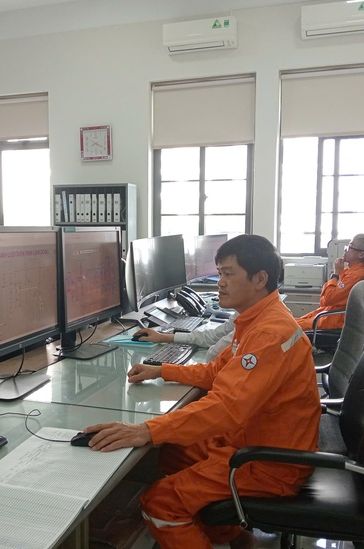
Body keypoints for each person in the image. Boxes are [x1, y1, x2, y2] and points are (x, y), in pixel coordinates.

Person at [81, 234, 321, 549]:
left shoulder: (269, 333)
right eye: (220, 273)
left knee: (160, 504)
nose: (220, 282)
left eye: (228, 274)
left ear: (260, 279)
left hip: (270, 463)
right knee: (175, 453)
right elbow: (215, 373)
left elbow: (226, 408)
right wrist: (162, 370)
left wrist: (146, 430)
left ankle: (217, 531)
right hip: (250, 440)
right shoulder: (256, 319)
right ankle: (234, 536)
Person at [295, 233, 364, 332]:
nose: (345, 250)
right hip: (327, 314)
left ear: (361, 254)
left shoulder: (357, 276)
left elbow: (328, 298)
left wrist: (335, 275)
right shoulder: (349, 272)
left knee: (290, 328)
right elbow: (324, 301)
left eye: (350, 247)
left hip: (334, 320)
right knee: (291, 323)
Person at [132, 314, 235, 362]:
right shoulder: (239, 316)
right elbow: (214, 336)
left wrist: (162, 371)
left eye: (228, 277)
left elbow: (213, 356)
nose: (220, 283)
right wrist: (164, 337)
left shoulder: (244, 326)